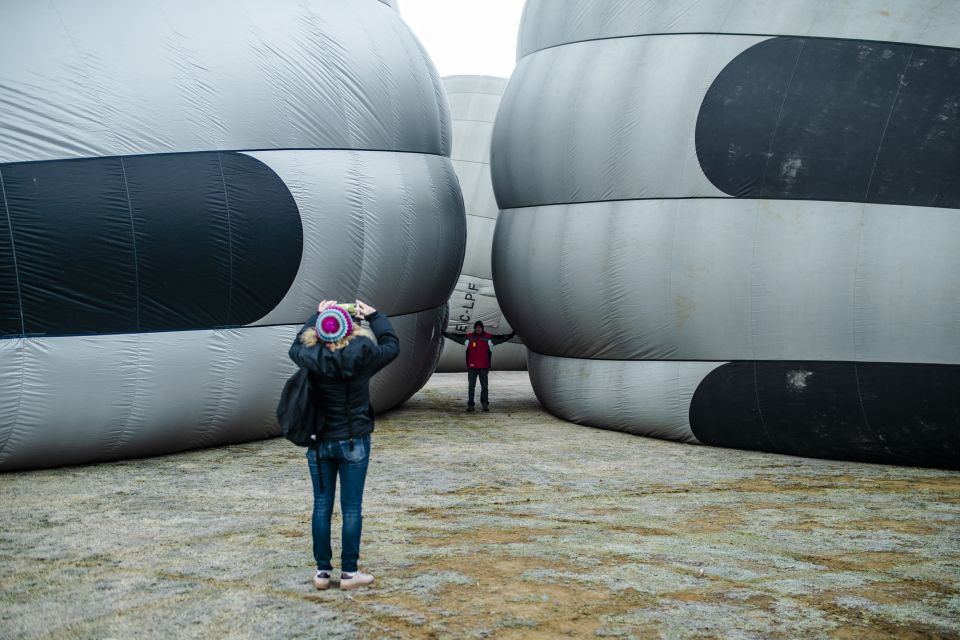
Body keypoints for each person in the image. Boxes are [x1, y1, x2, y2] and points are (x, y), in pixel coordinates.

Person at [288, 299, 399, 591]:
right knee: (351, 508)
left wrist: (317, 315)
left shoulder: (311, 358)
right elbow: (391, 344)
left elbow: (295, 347)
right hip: (354, 441)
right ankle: (349, 573)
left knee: (321, 507)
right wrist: (375, 315)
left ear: (321, 332)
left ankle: (322, 573)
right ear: (350, 330)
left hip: (320, 443)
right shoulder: (363, 357)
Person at [442, 320, 516, 412]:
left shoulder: (489, 338)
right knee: (471, 387)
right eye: (477, 328)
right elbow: (456, 337)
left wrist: (510, 336)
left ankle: (485, 404)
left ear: (482, 328)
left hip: (484, 367)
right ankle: (471, 405)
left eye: (480, 328)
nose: (478, 329)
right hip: (472, 367)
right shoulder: (468, 338)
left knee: (484, 387)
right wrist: (445, 334)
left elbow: (500, 338)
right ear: (475, 328)